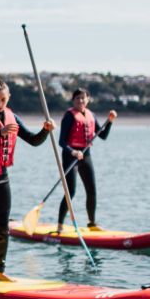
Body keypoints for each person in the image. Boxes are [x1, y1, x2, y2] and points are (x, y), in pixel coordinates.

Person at [0, 79, 54, 285]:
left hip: (2, 177)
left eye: (3, 99)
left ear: (8, 98)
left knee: (3, 226)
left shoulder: (11, 116)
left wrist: (45, 130)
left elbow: (33, 140)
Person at [56, 88, 117, 232]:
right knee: (70, 191)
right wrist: (73, 151)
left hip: (86, 155)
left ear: (88, 99)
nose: (80, 101)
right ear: (73, 100)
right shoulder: (69, 116)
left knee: (92, 190)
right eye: (77, 98)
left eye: (83, 98)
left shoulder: (91, 115)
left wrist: (110, 121)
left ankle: (92, 223)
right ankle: (59, 225)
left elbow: (102, 136)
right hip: (70, 156)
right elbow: (61, 142)